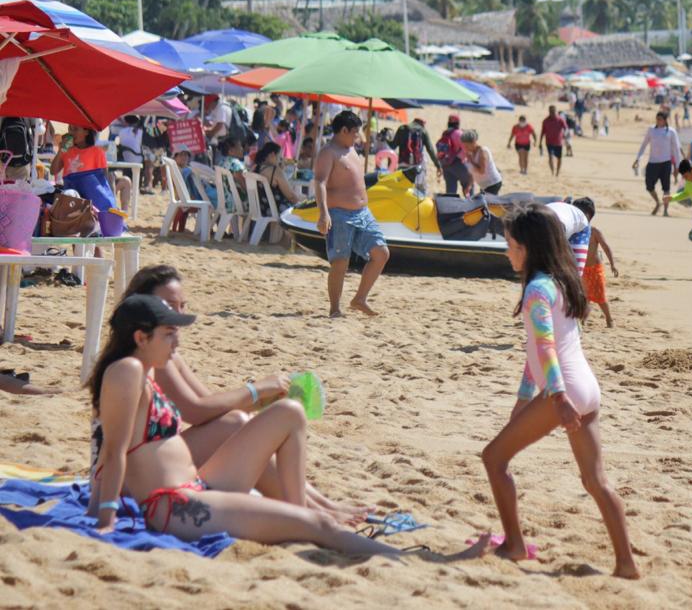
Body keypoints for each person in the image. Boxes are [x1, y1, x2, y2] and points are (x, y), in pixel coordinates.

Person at [87, 294, 487, 559]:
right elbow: (113, 451)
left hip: (200, 485)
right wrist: (104, 519)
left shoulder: (143, 370)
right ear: (140, 337)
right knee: (319, 524)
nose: (176, 343)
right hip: (174, 506)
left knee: (290, 412)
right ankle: (421, 560)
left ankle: (297, 514)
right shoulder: (126, 372)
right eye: (169, 334)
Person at [117, 265, 372, 525]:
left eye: (182, 305)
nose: (178, 314)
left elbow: (210, 406)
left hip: (156, 463)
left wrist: (260, 402)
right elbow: (194, 410)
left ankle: (320, 505)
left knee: (238, 422)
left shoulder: (165, 351)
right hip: (137, 477)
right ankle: (308, 510)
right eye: (170, 305)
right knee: (235, 424)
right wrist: (255, 390)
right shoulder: (145, 357)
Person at [481, 204, 639, 579]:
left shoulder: (537, 290)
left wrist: (557, 398)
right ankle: (626, 564)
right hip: (586, 387)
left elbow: (547, 349)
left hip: (564, 390)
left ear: (528, 247)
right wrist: (522, 400)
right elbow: (537, 350)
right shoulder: (563, 280)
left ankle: (515, 545)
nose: (507, 252)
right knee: (596, 481)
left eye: (511, 245)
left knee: (493, 459)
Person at [314, 111, 390, 317]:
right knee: (340, 262)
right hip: (339, 214)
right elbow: (320, 182)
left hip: (363, 213)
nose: (358, 136)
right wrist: (323, 214)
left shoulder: (352, 149)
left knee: (381, 253)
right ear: (344, 130)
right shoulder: (328, 152)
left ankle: (359, 299)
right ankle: (335, 308)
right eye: (355, 132)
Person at [51, 126, 132, 211]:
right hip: (73, 196)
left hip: (93, 199)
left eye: (75, 129)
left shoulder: (97, 152)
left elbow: (104, 182)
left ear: (87, 132)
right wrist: (61, 150)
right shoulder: (66, 151)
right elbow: (53, 171)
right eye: (70, 129)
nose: (71, 133)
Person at [571, 198, 619, 328]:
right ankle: (583, 320)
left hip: (595, 268)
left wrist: (612, 264)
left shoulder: (594, 231)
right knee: (585, 296)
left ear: (587, 215)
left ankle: (609, 319)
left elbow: (605, 247)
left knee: (600, 295)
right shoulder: (574, 232)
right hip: (581, 269)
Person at [633, 111, 681, 217]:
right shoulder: (651, 130)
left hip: (666, 163)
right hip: (653, 162)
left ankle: (665, 210)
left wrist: (677, 166)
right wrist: (638, 159)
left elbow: (676, 149)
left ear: (665, 120)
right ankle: (657, 202)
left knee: (666, 188)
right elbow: (644, 145)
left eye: (660, 119)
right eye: (657, 119)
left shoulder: (671, 132)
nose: (658, 121)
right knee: (649, 185)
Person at [253, 142, 301, 214]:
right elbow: (291, 197)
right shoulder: (275, 171)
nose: (280, 161)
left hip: (261, 209)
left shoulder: (256, 168)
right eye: (279, 157)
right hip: (277, 210)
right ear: (272, 155)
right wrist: (302, 206)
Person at [390, 118, 441, 183]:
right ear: (422, 124)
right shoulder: (423, 131)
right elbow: (430, 149)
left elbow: (393, 146)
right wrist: (438, 165)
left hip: (403, 162)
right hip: (416, 165)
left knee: (402, 185)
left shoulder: (402, 128)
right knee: (415, 188)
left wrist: (386, 138)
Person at [436, 114, 472, 197]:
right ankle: (472, 207)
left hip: (446, 164)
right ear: (458, 123)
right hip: (458, 164)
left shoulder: (445, 133)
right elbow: (467, 150)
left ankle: (451, 208)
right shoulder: (459, 133)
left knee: (450, 192)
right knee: (468, 186)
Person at [462, 130, 502, 195]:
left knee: (489, 204)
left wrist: (471, 161)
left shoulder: (482, 151)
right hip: (484, 186)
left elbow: (481, 171)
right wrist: (469, 186)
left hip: (492, 184)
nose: (465, 148)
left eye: (467, 146)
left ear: (473, 142)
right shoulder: (471, 154)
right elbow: (473, 173)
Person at [539, 106, 569, 177]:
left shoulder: (560, 120)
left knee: (559, 158)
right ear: (549, 111)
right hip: (549, 142)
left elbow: (566, 128)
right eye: (551, 111)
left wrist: (565, 134)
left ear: (556, 111)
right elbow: (542, 132)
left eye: (553, 111)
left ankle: (557, 172)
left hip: (558, 142)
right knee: (550, 157)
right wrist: (540, 142)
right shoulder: (545, 121)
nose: (552, 113)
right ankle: (552, 171)